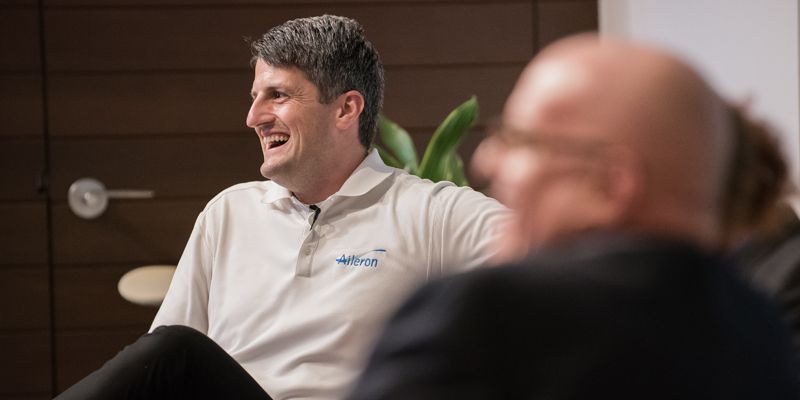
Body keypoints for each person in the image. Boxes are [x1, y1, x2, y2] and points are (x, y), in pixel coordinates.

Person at [56, 15, 506, 400]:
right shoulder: (228, 213)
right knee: (167, 352)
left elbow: (546, 257)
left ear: (346, 109)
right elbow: (156, 377)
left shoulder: (429, 212)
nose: (253, 117)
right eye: (255, 97)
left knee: (172, 351)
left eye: (277, 95)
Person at [346, 34, 800, 399]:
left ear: (611, 185)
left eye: (518, 140)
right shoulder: (758, 328)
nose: (486, 159)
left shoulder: (483, 319)